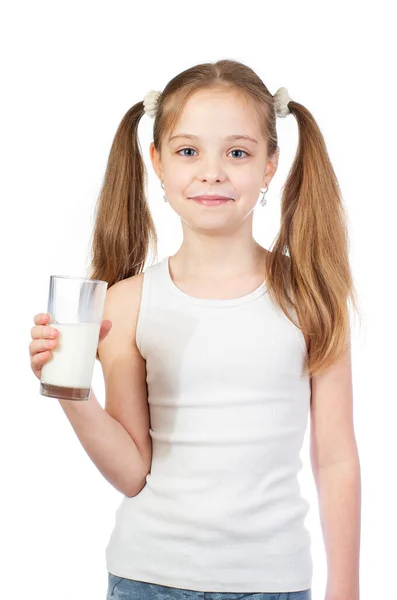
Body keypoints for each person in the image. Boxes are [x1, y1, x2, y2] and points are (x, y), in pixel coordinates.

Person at [29, 59, 362, 600]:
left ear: (270, 164)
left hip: (272, 583)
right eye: (188, 151)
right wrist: (71, 391)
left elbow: (337, 457)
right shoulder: (127, 303)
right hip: (148, 579)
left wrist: (344, 589)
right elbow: (133, 471)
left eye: (237, 152)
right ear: (157, 163)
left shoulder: (312, 298)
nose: (212, 172)